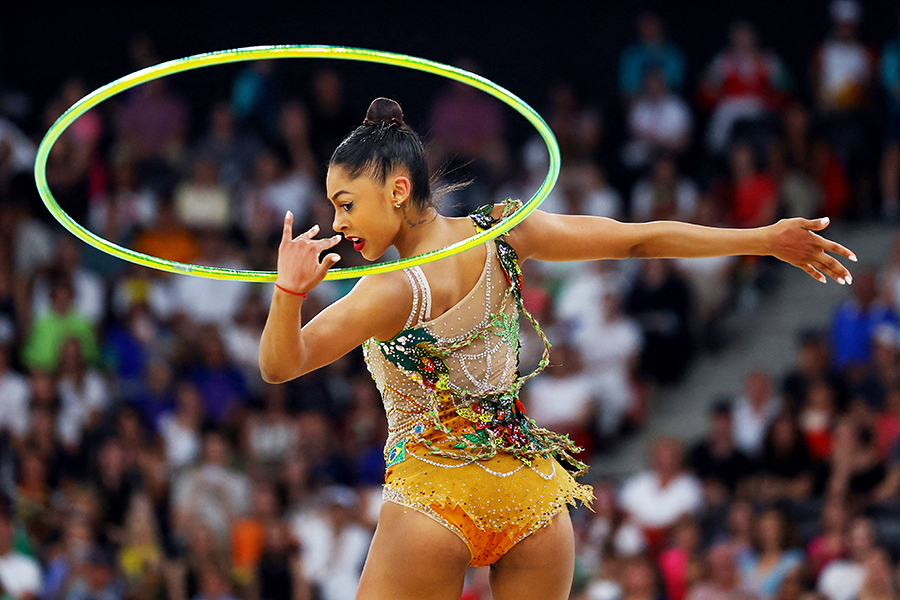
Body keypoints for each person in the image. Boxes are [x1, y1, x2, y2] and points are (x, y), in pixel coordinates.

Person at [259, 97, 855, 600]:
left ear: (397, 189)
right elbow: (637, 241)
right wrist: (762, 238)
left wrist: (288, 293)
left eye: (345, 203)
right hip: (531, 494)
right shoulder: (504, 231)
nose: (338, 223)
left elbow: (281, 365)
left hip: (433, 494)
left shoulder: (388, 290)